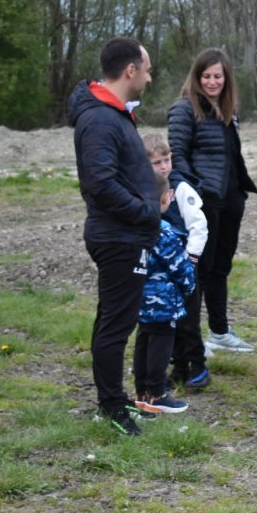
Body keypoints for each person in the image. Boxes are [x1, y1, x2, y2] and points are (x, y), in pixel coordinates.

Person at [69, 36, 157, 438]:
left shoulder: (114, 113)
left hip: (126, 234)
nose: (150, 77)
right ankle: (110, 406)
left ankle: (113, 398)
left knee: (115, 319)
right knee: (116, 324)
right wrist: (144, 210)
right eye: (147, 69)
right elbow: (100, 183)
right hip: (118, 236)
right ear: (130, 71)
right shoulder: (101, 118)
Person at [168, 48, 257, 354]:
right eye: (206, 76)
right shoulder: (183, 109)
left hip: (231, 200)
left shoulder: (229, 109)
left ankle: (219, 332)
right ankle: (190, 340)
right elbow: (176, 156)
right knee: (198, 271)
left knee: (220, 268)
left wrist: (239, 193)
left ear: (226, 78)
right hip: (204, 201)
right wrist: (194, 193)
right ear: (196, 77)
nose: (212, 82)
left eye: (217, 76)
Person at [143, 133, 211, 389]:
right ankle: (178, 365)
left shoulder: (181, 188)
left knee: (189, 318)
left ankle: (198, 365)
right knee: (167, 318)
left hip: (184, 266)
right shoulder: (145, 188)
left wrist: (191, 257)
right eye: (156, 162)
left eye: (166, 159)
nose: (163, 166)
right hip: (160, 271)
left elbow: (199, 224)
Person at [133, 175, 197, 416]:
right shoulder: (165, 233)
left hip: (138, 297)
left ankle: (141, 393)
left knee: (143, 340)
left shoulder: (134, 228)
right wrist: (189, 286)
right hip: (163, 300)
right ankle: (157, 393)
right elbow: (180, 267)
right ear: (166, 197)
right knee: (161, 342)